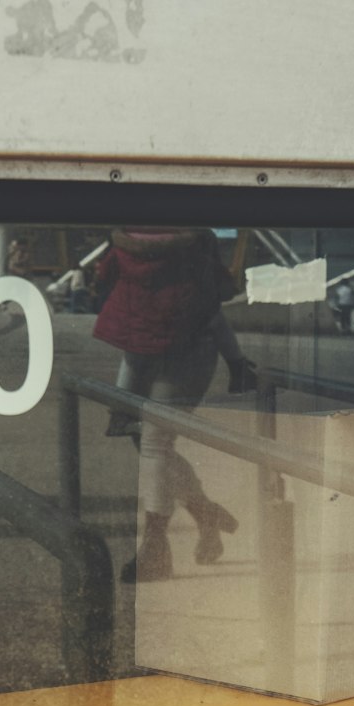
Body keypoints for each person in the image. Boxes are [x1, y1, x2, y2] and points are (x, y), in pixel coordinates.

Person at [94, 228, 239, 582]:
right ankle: (205, 515)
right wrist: (235, 361)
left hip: (147, 351)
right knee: (153, 445)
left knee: (154, 445)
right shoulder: (194, 247)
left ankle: (156, 548)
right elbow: (213, 312)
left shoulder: (123, 248)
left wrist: (121, 397)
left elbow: (114, 298)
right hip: (190, 350)